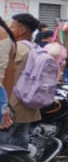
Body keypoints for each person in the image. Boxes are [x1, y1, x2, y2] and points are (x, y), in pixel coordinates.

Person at [0, 14, 42, 148]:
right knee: (21, 136)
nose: (9, 29)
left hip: (14, 101)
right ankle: (22, 161)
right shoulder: (36, 47)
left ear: (22, 30)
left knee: (5, 139)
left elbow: (8, 72)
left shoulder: (19, 48)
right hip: (30, 100)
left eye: (12, 27)